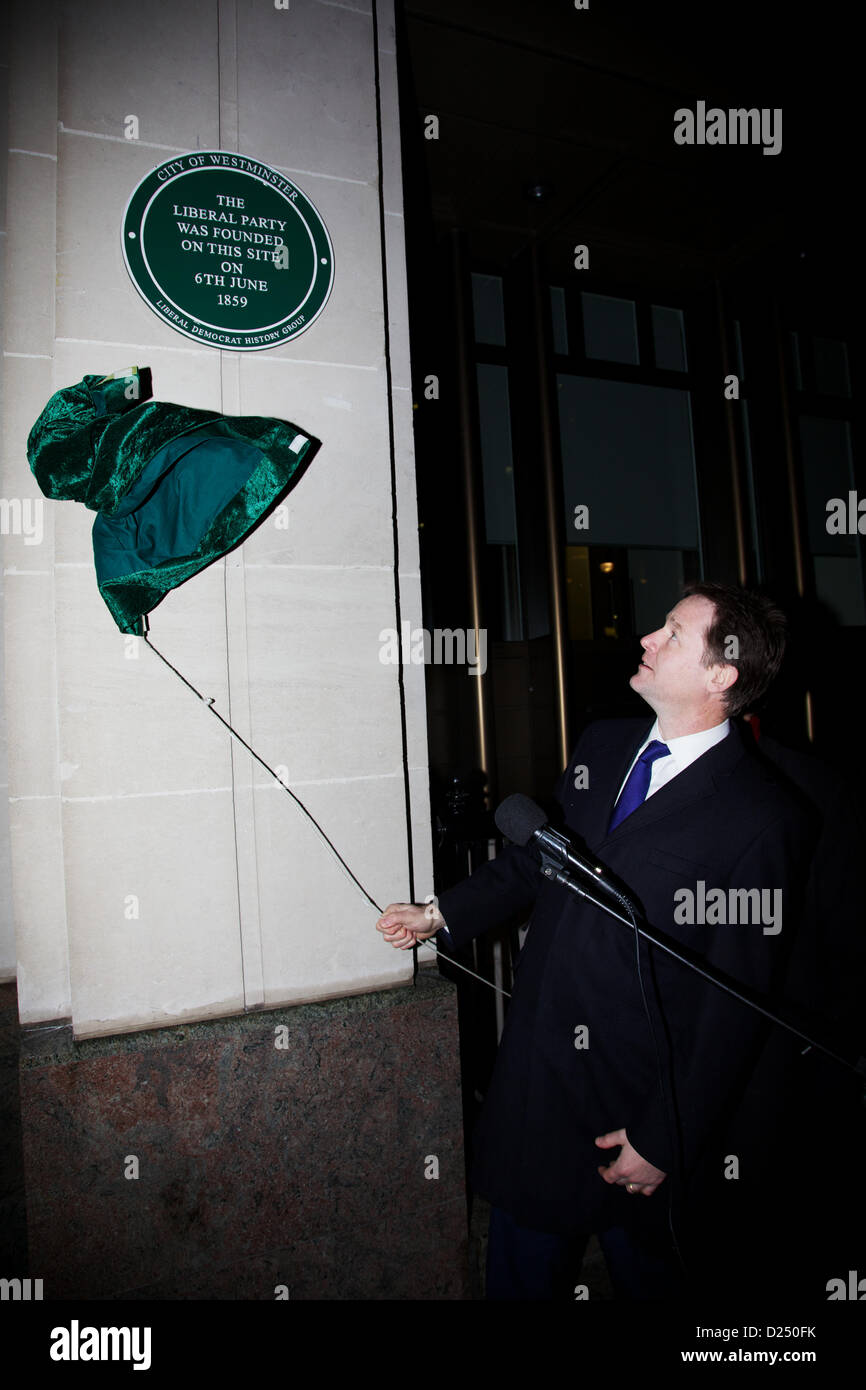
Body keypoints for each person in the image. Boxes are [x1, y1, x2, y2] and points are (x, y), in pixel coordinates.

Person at [377, 583, 819, 1300]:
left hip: (635, 1110)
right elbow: (536, 858)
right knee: (521, 1272)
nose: (647, 639)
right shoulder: (605, 743)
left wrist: (664, 1138)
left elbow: (733, 1007)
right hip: (541, 1082)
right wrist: (441, 914)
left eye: (673, 634)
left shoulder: (766, 818)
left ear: (722, 674)